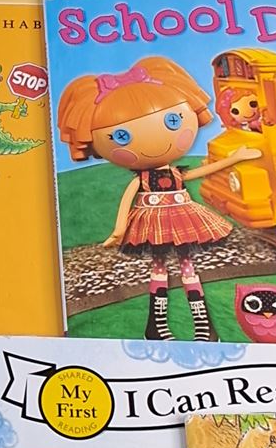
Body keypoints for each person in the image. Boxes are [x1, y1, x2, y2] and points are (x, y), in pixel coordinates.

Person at [55, 59, 259, 341]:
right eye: (122, 137)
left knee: (188, 268)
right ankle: (156, 325)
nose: (154, 142)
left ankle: (203, 325)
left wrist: (234, 158)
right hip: (154, 223)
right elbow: (127, 200)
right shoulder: (141, 179)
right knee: (159, 268)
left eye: (172, 121)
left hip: (183, 219)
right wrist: (118, 230)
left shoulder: (175, 173)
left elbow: (198, 173)